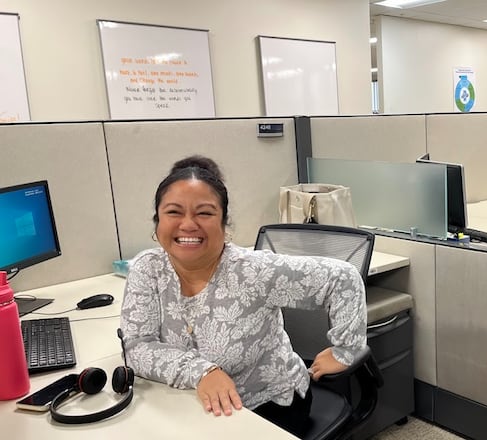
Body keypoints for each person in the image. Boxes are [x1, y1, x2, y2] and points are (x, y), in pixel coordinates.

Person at [119, 155, 367, 437]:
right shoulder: (148, 269)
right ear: (157, 222)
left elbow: (343, 277)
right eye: (174, 212)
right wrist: (202, 371)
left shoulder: (254, 272)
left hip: (266, 406)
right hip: (191, 402)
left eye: (204, 213)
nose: (188, 224)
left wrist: (346, 349)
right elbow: (137, 346)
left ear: (224, 223)